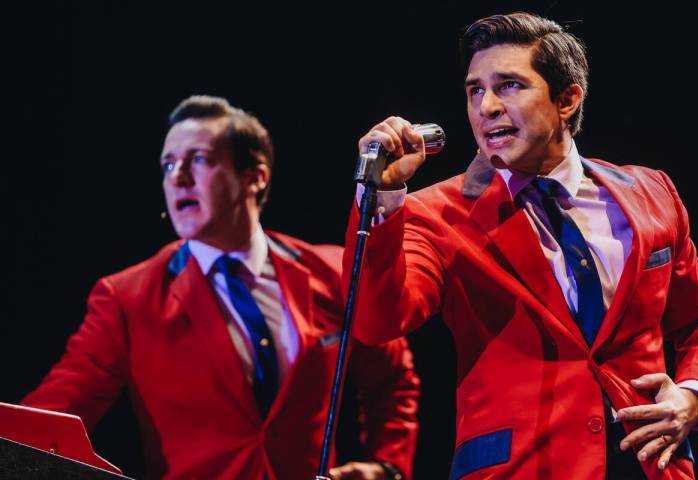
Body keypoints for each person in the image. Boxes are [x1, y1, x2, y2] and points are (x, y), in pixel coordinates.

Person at [346, 12, 698, 480]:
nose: (486, 107)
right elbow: (376, 321)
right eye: (475, 90)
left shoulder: (650, 193)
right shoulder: (433, 214)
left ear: (567, 99)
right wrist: (378, 200)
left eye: (508, 86)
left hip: (651, 466)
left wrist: (694, 395)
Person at [23, 95, 420, 480]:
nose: (177, 178)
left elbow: (392, 381)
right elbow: (47, 422)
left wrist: (387, 467)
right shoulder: (127, 297)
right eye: (167, 164)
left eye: (198, 160)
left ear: (255, 177)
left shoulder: (331, 271)